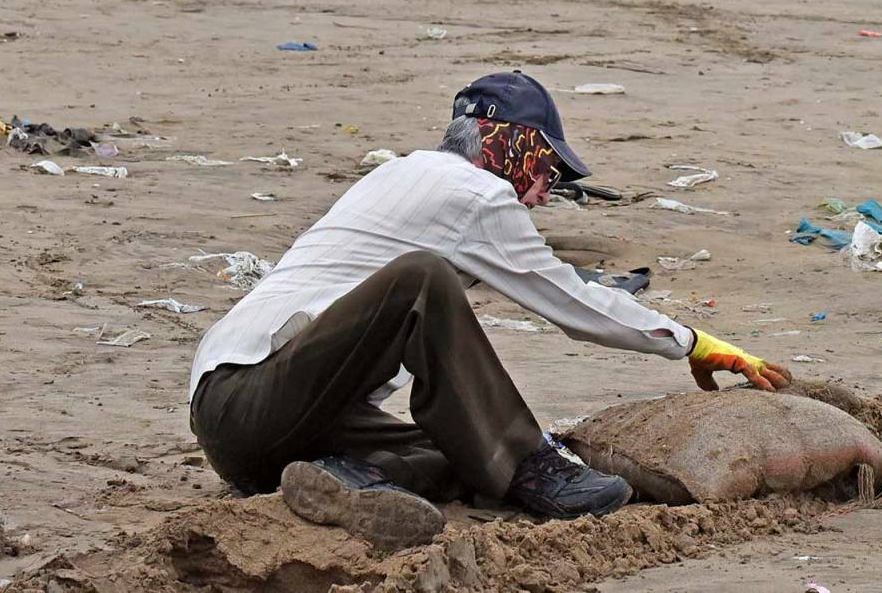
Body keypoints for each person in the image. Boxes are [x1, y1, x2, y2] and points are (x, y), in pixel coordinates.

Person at [187, 72, 789, 550]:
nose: (547, 190)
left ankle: (343, 479)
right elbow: (571, 302)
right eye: (548, 168)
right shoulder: (475, 193)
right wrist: (694, 342)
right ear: (510, 142)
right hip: (250, 396)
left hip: (255, 432)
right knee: (422, 281)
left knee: (464, 446)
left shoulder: (401, 173)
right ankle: (534, 469)